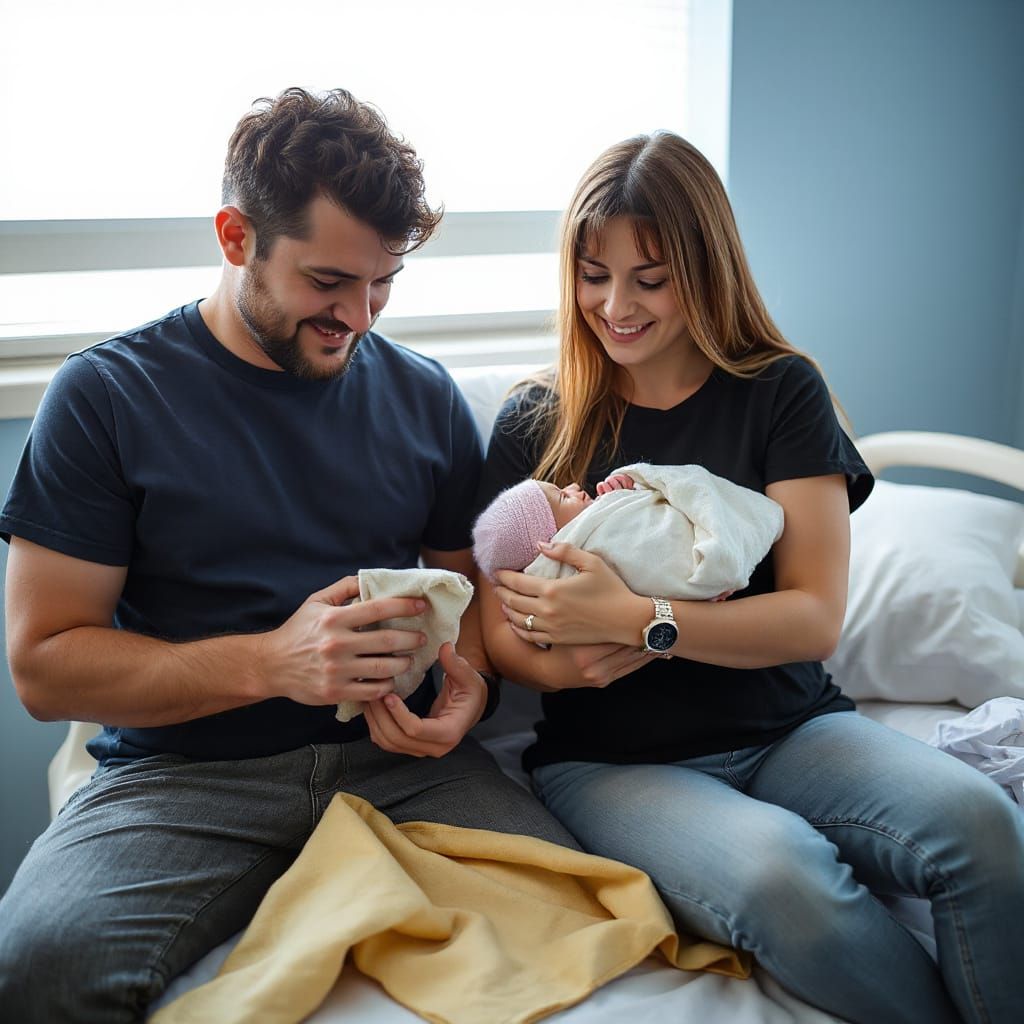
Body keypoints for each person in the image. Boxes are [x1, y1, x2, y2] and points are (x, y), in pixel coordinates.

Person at [0, 87, 577, 1022]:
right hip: (184, 780)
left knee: (586, 925)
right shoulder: (105, 397)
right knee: (36, 969)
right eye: (327, 282)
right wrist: (275, 661)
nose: (359, 314)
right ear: (237, 237)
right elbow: (43, 669)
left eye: (382, 282)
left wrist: (464, 681)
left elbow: (460, 598)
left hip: (406, 765)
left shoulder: (425, 398)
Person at [476, 131, 1024, 1024]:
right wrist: (565, 660)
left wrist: (638, 619)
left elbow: (812, 618)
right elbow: (498, 639)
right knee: (781, 880)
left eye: (649, 278)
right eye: (593, 274)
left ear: (707, 268)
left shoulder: (780, 392)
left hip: (789, 728)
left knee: (982, 826)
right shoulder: (536, 422)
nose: (615, 305)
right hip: (614, 764)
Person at [471, 465, 781, 608]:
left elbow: (646, 526)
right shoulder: (574, 557)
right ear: (552, 542)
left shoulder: (601, 514)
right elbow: (641, 560)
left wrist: (632, 492)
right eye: (563, 498)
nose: (573, 488)